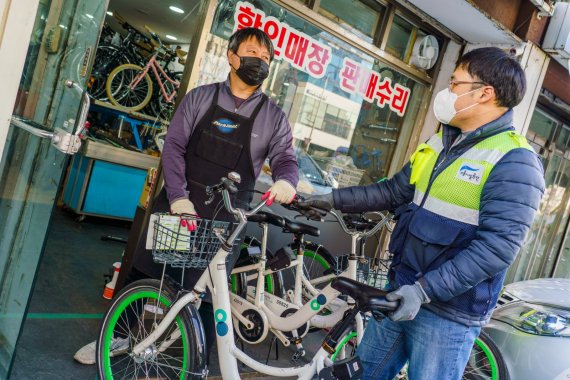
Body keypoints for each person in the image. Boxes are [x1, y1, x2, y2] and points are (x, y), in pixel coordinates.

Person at [299, 47, 545, 379]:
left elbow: (497, 248)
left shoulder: (515, 161)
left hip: (447, 313)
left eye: (456, 83)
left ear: (486, 93)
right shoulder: (441, 142)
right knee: (362, 375)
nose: (447, 91)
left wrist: (424, 291)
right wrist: (331, 198)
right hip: (401, 291)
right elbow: (391, 191)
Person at [74, 27, 299, 365]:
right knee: (145, 272)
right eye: (253, 53)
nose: (260, 62)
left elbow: (285, 159)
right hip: (181, 208)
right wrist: (179, 198)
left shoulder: (273, 117)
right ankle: (115, 338)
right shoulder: (201, 97)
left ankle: (201, 362)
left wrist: (287, 181)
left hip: (226, 219)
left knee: (211, 295)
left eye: (266, 58)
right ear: (232, 56)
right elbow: (174, 148)